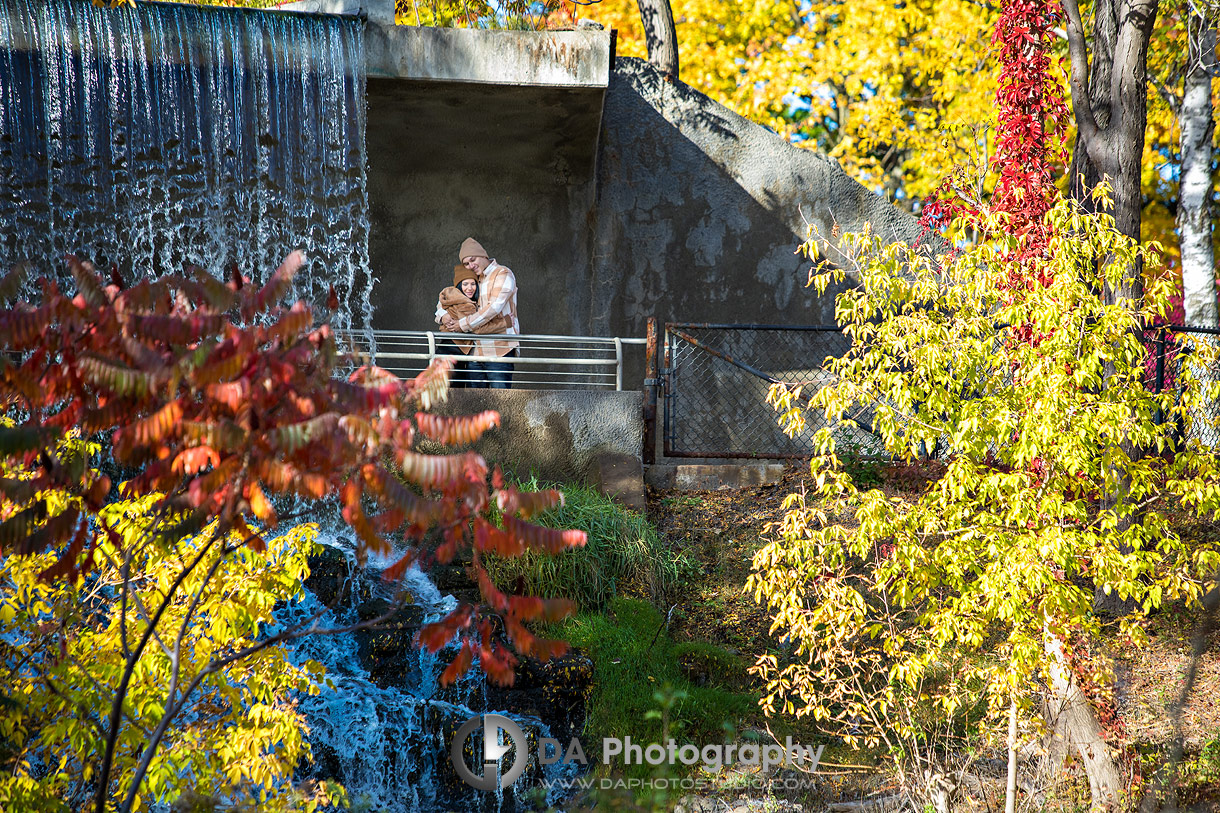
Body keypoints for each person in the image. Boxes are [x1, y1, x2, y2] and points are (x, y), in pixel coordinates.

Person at [440, 237, 519, 389]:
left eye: (472, 260)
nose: (470, 266)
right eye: (466, 264)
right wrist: (442, 315)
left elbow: (493, 308)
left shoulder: (502, 273)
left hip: (499, 351)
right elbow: (450, 297)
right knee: (474, 407)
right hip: (475, 353)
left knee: (500, 402)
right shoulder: (475, 279)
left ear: (483, 255)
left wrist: (462, 324)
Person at [434, 263, 511, 387]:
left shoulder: (459, 300)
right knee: (451, 394)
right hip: (452, 353)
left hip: (457, 354)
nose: (469, 288)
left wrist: (441, 314)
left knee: (456, 393)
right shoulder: (466, 304)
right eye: (465, 284)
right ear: (459, 286)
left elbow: (440, 303)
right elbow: (477, 328)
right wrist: (504, 323)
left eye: (473, 284)